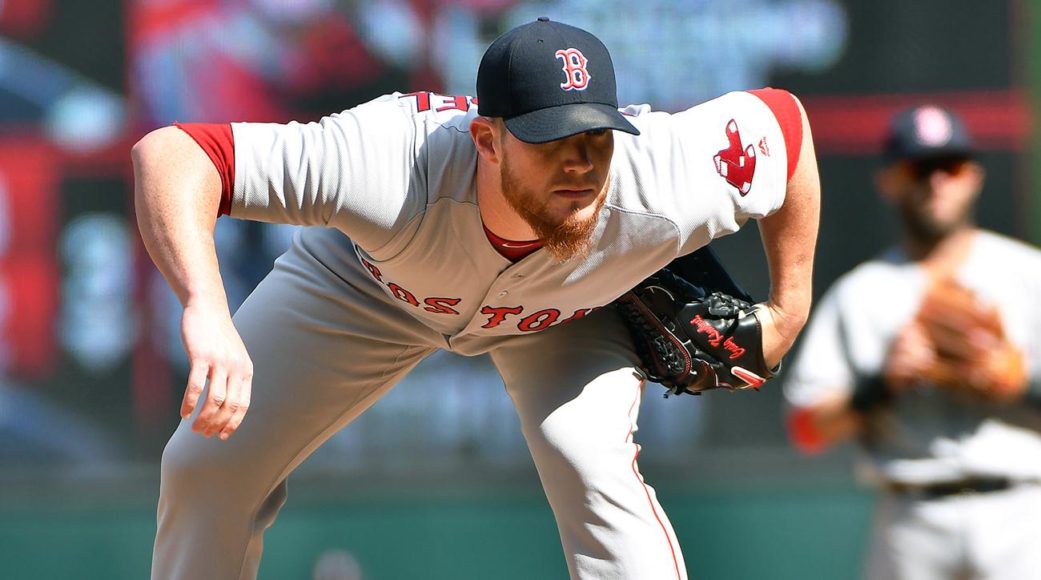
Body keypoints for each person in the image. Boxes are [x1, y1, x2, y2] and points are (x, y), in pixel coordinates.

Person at [134, 17, 820, 580]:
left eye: (595, 135)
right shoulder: (390, 162)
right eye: (551, 139)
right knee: (207, 462)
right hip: (370, 286)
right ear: (487, 139)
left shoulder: (661, 176)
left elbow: (784, 130)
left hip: (564, 306)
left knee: (591, 466)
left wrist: (789, 309)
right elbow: (175, 154)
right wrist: (206, 306)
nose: (580, 162)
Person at [782, 105, 1041, 580]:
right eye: (919, 168)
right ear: (889, 182)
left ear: (974, 176)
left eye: (950, 166)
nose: (936, 181)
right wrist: (880, 384)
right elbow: (806, 428)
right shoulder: (861, 293)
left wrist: (1022, 386)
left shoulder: (1029, 275)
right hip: (912, 521)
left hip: (1022, 516)